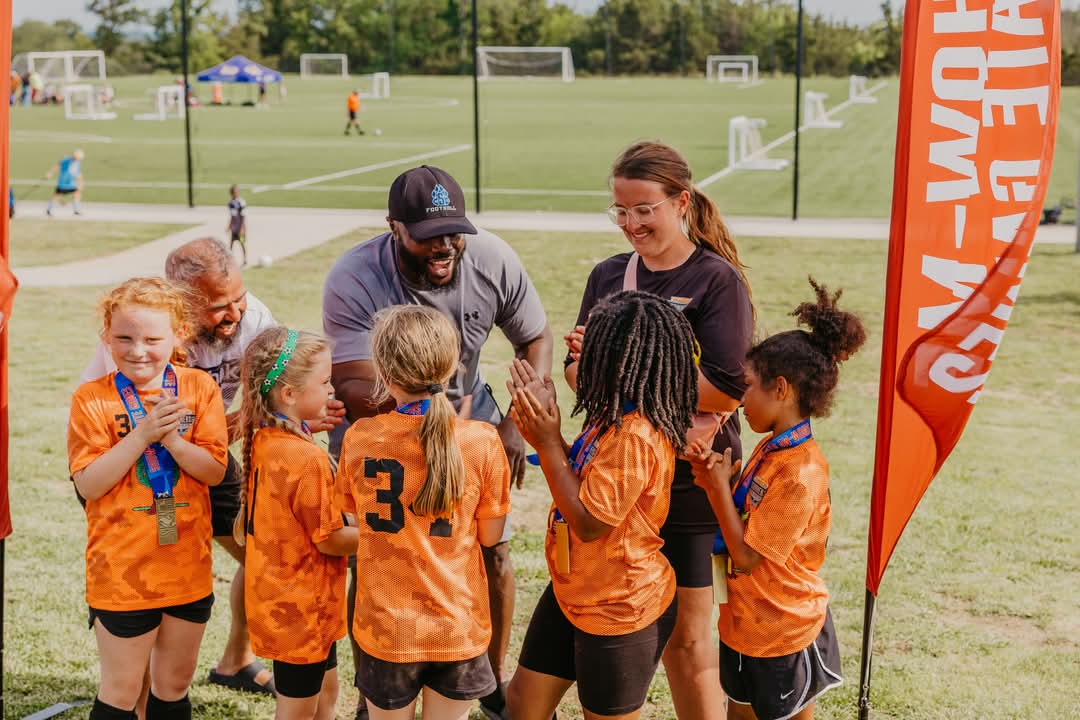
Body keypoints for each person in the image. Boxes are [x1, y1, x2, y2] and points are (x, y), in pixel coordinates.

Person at [323, 165, 552, 720]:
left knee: (490, 550)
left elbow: (535, 337)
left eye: (453, 231)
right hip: (386, 419)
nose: (445, 245)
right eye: (429, 235)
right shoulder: (354, 274)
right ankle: (374, 687)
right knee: (378, 553)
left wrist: (514, 426)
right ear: (394, 228)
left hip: (468, 415)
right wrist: (431, 419)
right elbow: (354, 382)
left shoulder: (492, 257)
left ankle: (488, 674)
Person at [80, 239, 345, 698]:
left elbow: (270, 399)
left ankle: (235, 659)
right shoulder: (142, 337)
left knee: (261, 556)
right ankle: (134, 684)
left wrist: (295, 416)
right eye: (220, 307)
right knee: (143, 563)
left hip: (205, 448)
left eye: (238, 299)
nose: (236, 314)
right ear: (183, 307)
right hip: (131, 458)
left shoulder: (254, 319)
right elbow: (112, 434)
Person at [564, 141, 753, 720]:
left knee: (690, 640)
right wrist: (588, 364)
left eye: (644, 208)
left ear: (681, 202)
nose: (631, 223)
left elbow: (728, 387)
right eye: (621, 210)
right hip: (619, 484)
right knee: (623, 621)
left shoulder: (716, 280)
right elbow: (577, 376)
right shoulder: (607, 275)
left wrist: (620, 363)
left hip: (692, 484)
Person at [506, 291, 696, 720]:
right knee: (521, 704)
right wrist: (546, 419)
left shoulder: (636, 436)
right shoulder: (612, 415)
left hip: (619, 608)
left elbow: (590, 522)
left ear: (620, 360)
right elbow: (587, 476)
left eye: (593, 348)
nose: (580, 353)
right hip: (575, 589)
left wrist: (548, 440)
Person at [686, 278, 866, 720]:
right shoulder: (774, 447)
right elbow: (749, 521)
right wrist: (725, 483)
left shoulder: (802, 472)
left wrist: (715, 491)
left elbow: (748, 556)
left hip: (782, 629)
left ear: (781, 389)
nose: (741, 399)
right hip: (744, 624)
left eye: (748, 386)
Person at [337, 305, 510, 720]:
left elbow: (359, 524)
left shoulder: (361, 437)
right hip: (457, 625)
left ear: (382, 370)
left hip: (388, 628)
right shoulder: (481, 441)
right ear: (451, 367)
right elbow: (490, 537)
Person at [68, 277, 229, 720]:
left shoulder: (198, 389)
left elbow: (215, 471)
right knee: (121, 692)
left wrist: (175, 443)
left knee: (173, 687)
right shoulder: (91, 399)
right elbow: (89, 485)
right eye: (124, 337)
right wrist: (142, 434)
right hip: (121, 574)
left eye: (152, 339)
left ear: (179, 336)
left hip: (186, 569)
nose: (138, 350)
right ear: (106, 337)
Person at [236, 327, 357, 720]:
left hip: (296, 604)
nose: (331, 390)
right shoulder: (306, 460)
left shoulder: (268, 440)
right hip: (301, 611)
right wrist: (386, 533)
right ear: (289, 394)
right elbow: (330, 540)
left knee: (327, 693)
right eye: (324, 382)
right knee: (297, 711)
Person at [46, 149, 85, 217]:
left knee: (77, 193)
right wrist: (50, 173)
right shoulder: (67, 160)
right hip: (63, 183)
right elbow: (58, 167)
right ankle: (49, 209)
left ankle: (76, 210)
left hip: (71, 183)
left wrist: (80, 183)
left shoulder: (77, 163)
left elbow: (78, 174)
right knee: (56, 196)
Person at [226, 185, 248, 267]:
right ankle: (230, 261)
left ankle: (245, 260)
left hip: (240, 228)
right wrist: (229, 226)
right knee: (231, 244)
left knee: (242, 243)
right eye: (234, 192)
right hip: (234, 229)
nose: (235, 193)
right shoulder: (230, 203)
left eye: (237, 191)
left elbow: (243, 216)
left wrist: (242, 228)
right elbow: (232, 216)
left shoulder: (241, 202)